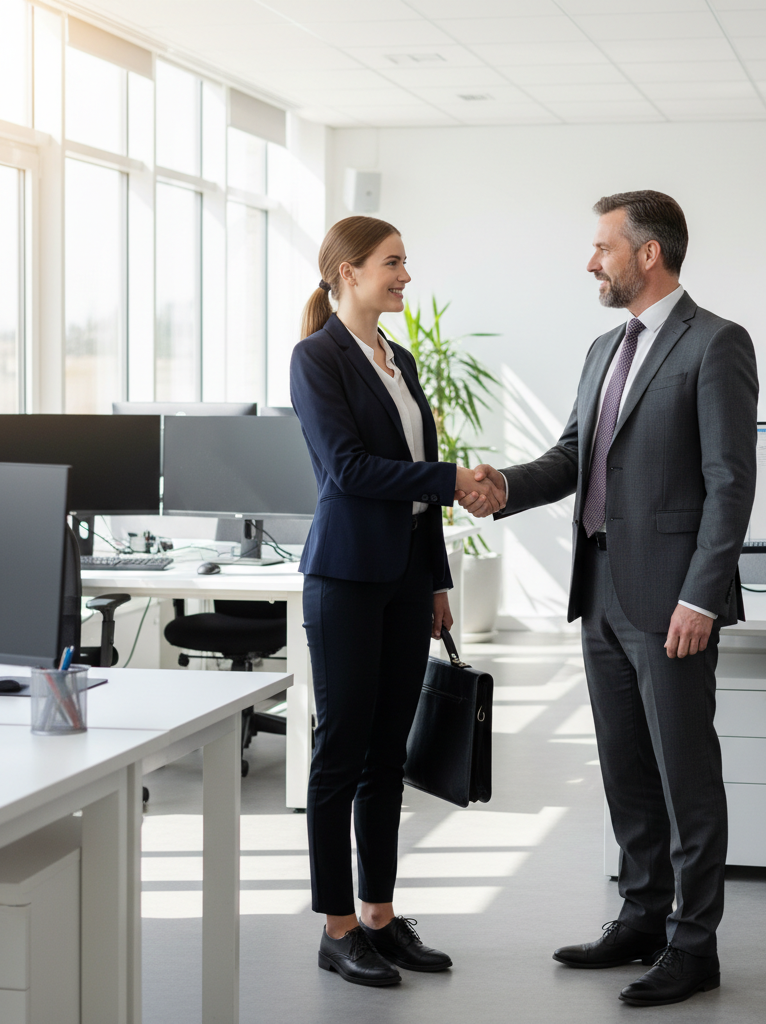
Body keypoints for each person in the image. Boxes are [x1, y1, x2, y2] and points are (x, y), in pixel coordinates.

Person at [460, 191, 758, 1007]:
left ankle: (696, 946)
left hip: (670, 601)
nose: (591, 261)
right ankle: (641, 916)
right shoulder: (603, 349)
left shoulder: (715, 344)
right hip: (599, 592)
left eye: (603, 247)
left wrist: (703, 594)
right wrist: (502, 489)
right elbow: (572, 457)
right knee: (626, 770)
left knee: (684, 776)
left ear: (648, 253)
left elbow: (731, 485)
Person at [290, 216, 504, 988]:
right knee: (340, 755)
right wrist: (450, 481)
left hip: (408, 580)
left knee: (388, 756)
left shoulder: (399, 359)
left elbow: (419, 469)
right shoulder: (317, 360)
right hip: (346, 579)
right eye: (393, 263)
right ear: (348, 272)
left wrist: (439, 580)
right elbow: (349, 470)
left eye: (405, 263)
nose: (405, 276)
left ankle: (379, 917)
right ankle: (336, 926)